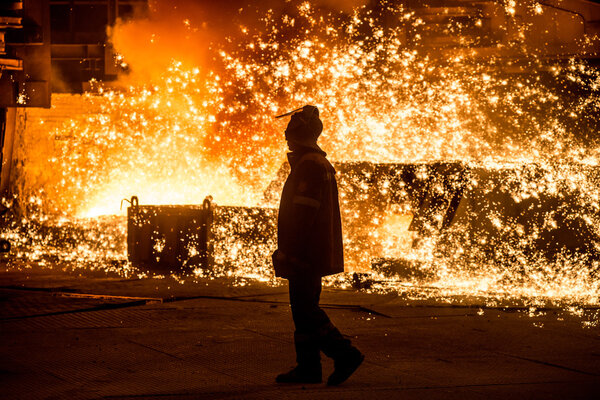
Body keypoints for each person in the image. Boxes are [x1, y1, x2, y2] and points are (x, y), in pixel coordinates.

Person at [272, 105, 364, 386]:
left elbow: (303, 214)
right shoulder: (313, 162)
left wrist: (290, 249)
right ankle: (308, 368)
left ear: (301, 134)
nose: (287, 137)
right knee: (302, 309)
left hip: (305, 253)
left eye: (291, 132)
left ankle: (345, 353)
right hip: (309, 251)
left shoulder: (310, 164)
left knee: (307, 309)